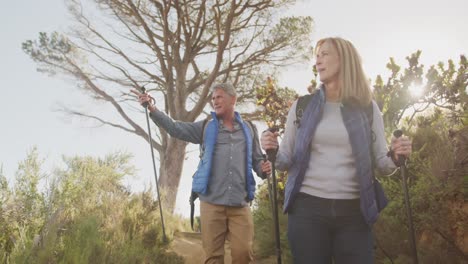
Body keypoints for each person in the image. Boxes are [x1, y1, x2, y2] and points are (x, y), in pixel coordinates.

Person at [260, 37, 413, 264]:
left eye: (325, 54)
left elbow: (383, 163)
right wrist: (271, 147)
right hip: (307, 210)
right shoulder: (302, 106)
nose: (318, 61)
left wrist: (397, 154)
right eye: (317, 56)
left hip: (354, 213)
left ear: (344, 60)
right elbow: (284, 160)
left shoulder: (368, 109)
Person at [132, 83, 271, 264]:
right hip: (211, 203)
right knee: (213, 258)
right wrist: (152, 108)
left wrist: (264, 168)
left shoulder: (249, 129)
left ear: (233, 99)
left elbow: (257, 160)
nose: (215, 101)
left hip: (240, 204)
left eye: (219, 97)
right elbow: (176, 128)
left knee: (243, 253)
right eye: (213, 98)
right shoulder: (206, 127)